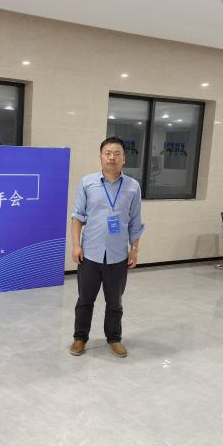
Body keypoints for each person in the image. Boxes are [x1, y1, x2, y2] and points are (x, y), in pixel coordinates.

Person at [69, 137, 145, 357]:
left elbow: (136, 221)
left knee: (115, 302)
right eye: (108, 153)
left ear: (124, 158)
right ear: (101, 157)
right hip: (90, 254)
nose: (112, 157)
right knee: (85, 300)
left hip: (118, 256)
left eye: (117, 153)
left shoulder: (132, 186)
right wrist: (76, 245)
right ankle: (80, 338)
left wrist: (134, 249)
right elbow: (77, 217)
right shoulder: (87, 183)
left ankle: (114, 338)